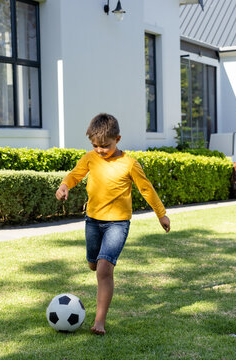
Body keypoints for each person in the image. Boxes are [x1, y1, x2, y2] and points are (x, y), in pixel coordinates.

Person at [55, 113, 170, 335]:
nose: (100, 150)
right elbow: (75, 175)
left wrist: (161, 214)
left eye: (105, 146)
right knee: (93, 264)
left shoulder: (129, 164)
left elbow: (146, 189)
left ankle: (99, 321)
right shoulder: (90, 157)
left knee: (104, 270)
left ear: (118, 139)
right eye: (95, 146)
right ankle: (94, 262)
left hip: (117, 224)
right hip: (93, 221)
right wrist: (64, 186)